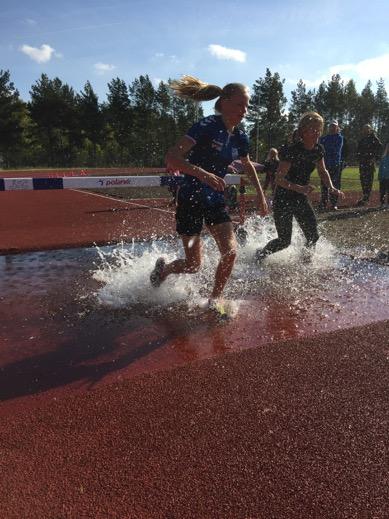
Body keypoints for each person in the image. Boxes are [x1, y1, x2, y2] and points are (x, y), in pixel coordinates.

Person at [149, 75, 268, 308]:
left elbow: (247, 166)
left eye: (247, 106)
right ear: (224, 103)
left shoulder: (241, 136)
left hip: (214, 200)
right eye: (239, 104)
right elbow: (172, 157)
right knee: (194, 266)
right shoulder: (206, 126)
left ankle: (216, 299)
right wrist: (203, 174)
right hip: (190, 197)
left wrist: (261, 195)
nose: (244, 110)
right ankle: (164, 270)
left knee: (230, 252)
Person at [255, 112, 344, 263]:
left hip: (300, 197)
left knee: (313, 236)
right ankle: (260, 256)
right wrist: (300, 188)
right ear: (303, 131)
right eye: (313, 129)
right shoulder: (292, 150)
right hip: (283, 198)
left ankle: (305, 263)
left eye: (319, 129)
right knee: (284, 241)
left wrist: (331, 187)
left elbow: (323, 171)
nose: (317, 132)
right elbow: (279, 179)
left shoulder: (318, 149)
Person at [318, 120, 343, 210]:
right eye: (331, 126)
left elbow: (334, 150)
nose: (332, 128)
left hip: (335, 164)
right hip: (325, 164)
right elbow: (319, 148)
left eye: (334, 126)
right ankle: (323, 202)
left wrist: (324, 150)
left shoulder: (339, 138)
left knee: (335, 183)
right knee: (324, 183)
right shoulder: (324, 138)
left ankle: (334, 203)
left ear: (337, 128)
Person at [356, 124, 382, 206]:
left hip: (370, 162)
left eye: (367, 128)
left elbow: (379, 148)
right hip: (362, 162)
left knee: (369, 180)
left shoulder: (374, 139)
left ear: (370, 129)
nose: (366, 130)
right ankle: (365, 196)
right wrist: (358, 158)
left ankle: (366, 198)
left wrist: (375, 159)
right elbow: (358, 150)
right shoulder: (362, 140)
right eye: (364, 129)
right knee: (363, 180)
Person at [378, 143, 389, 207]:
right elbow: (380, 168)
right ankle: (382, 203)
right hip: (383, 178)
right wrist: (380, 176)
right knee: (382, 191)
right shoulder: (384, 158)